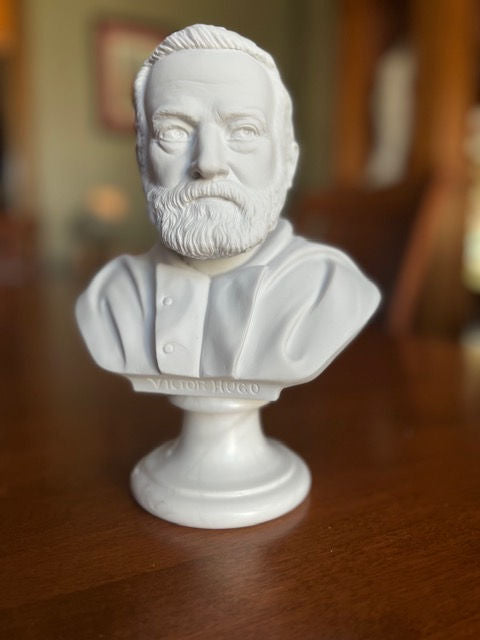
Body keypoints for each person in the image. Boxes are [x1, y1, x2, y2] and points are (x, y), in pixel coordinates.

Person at [76, 24, 380, 397]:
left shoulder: (331, 290)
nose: (209, 163)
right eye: (174, 132)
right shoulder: (109, 297)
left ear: (287, 162)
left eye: (244, 131)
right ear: (142, 159)